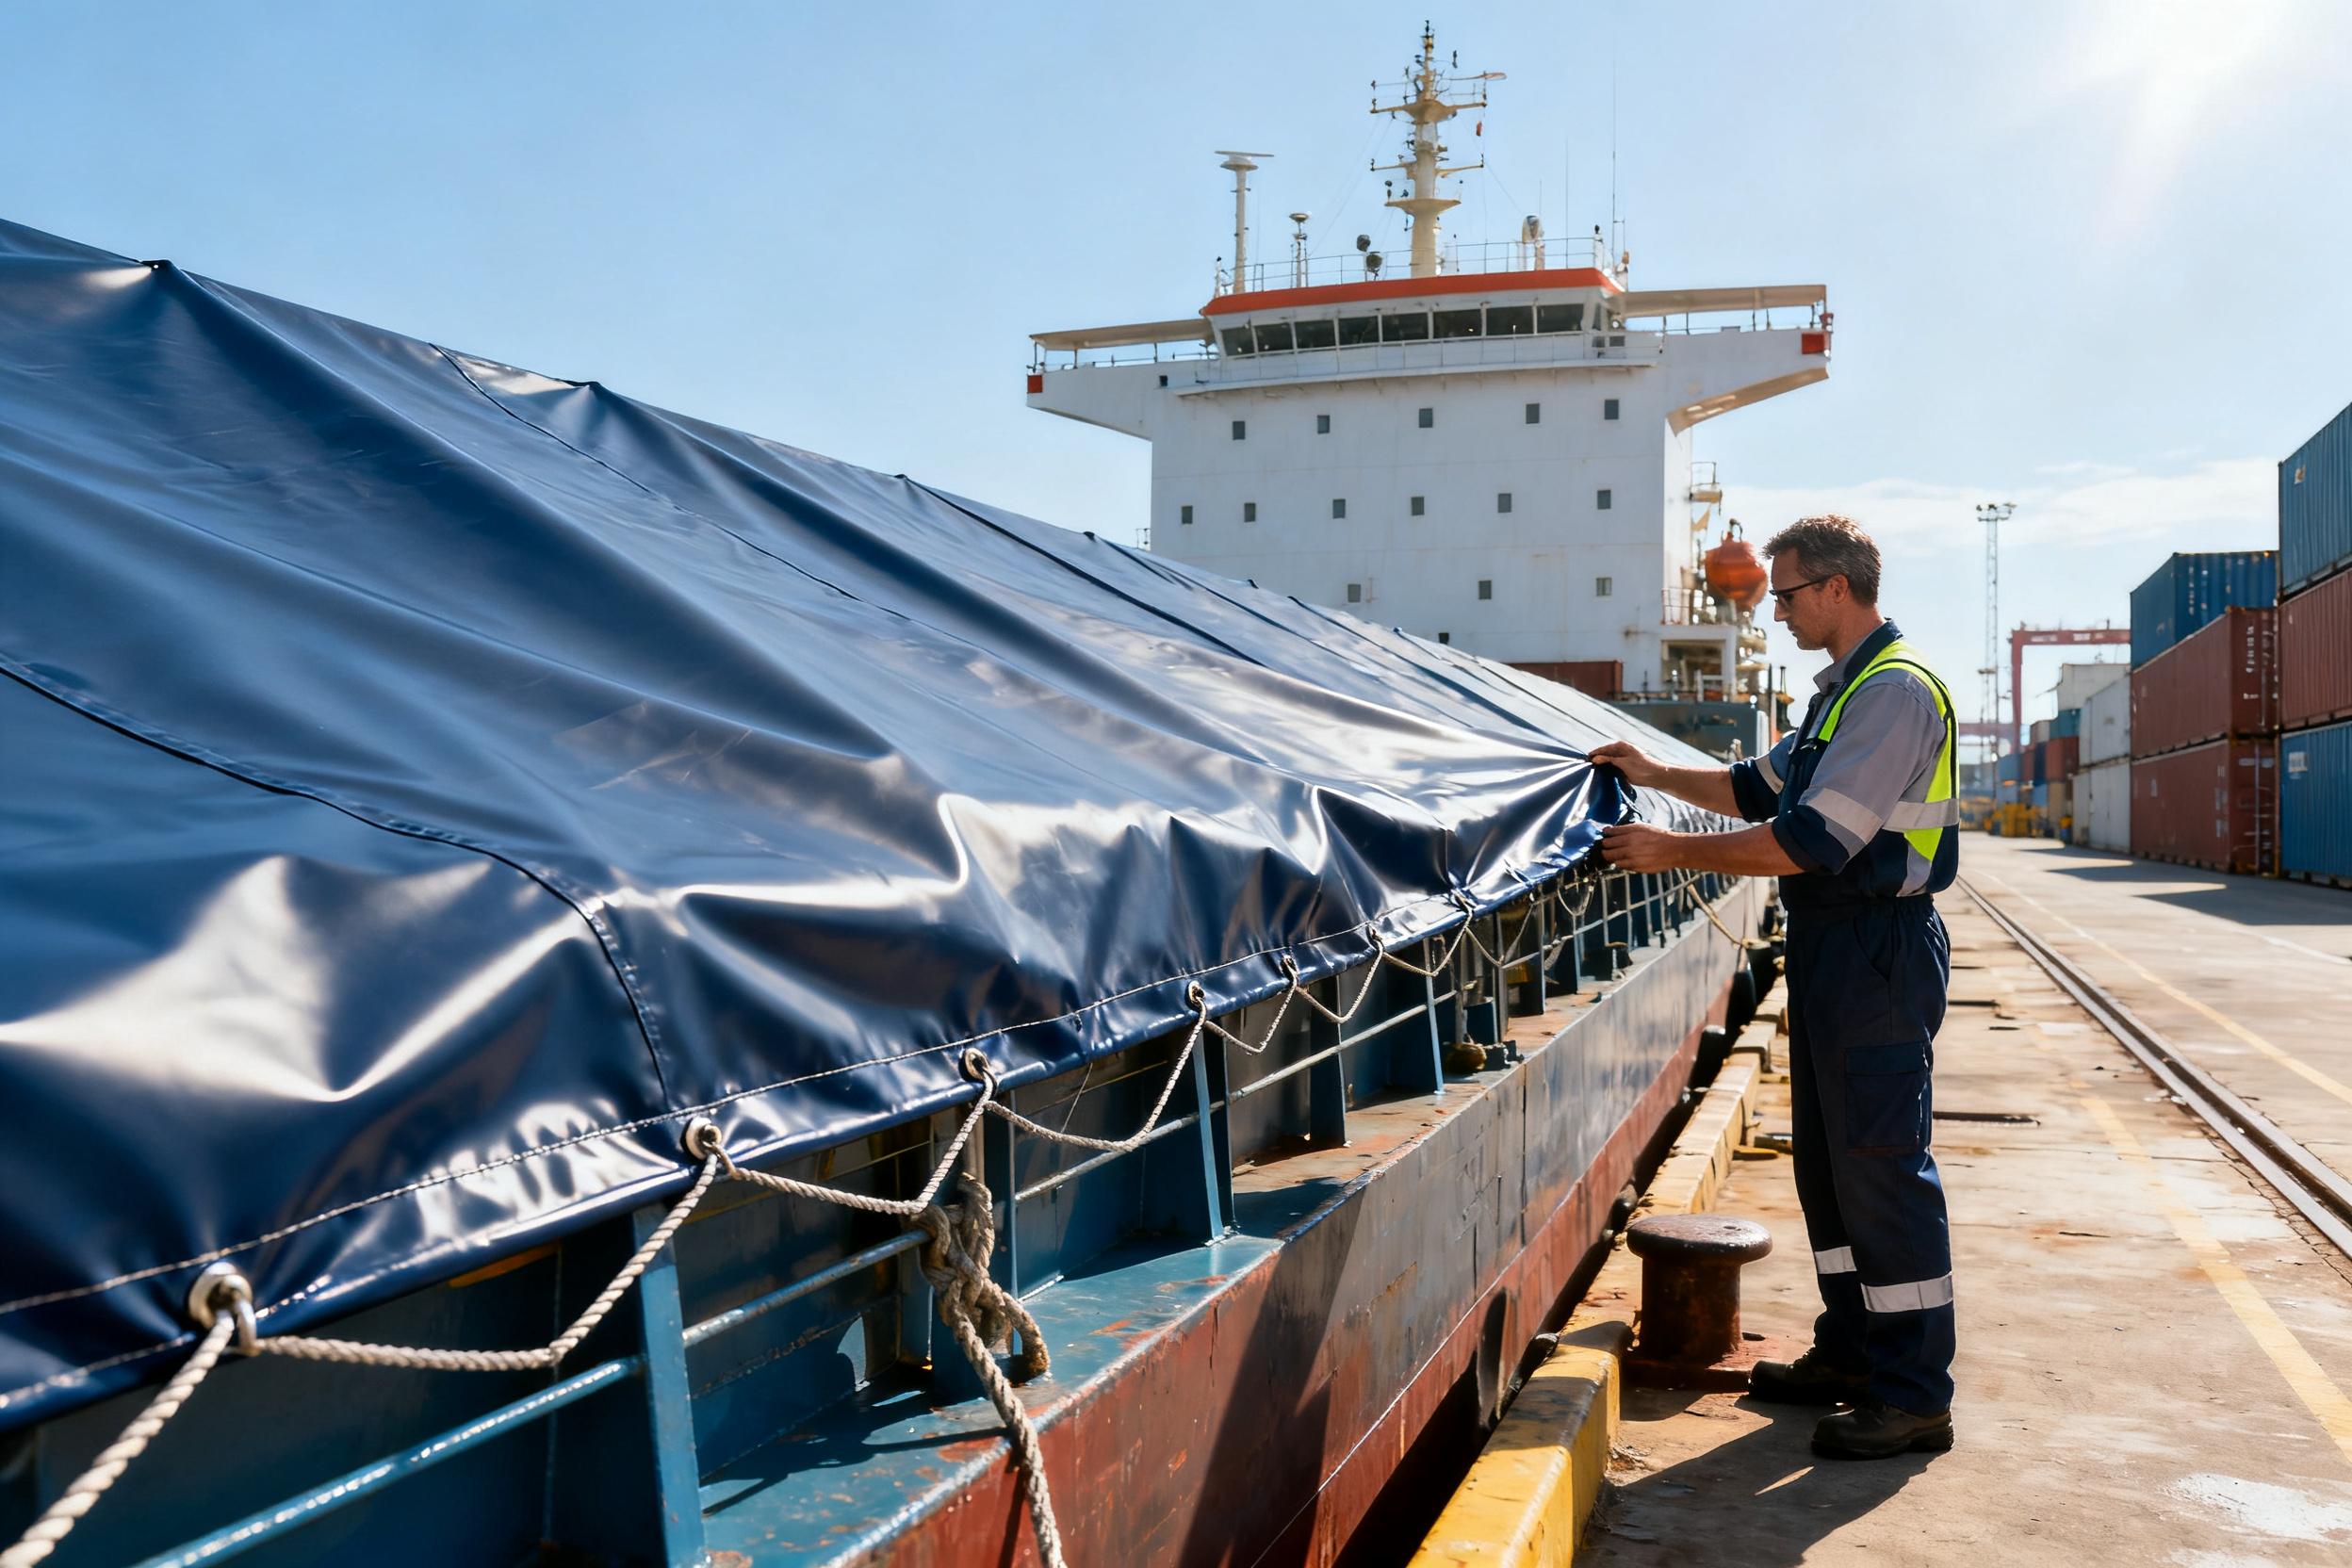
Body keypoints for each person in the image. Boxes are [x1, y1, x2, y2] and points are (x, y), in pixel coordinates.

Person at [1589, 514, 1959, 1461]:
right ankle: (1854, 1352)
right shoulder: (1840, 696)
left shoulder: (1893, 693)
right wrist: (1651, 771)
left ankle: (1914, 1394)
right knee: (1830, 1168)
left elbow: (1814, 840)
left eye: (1787, 594)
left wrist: (1669, 850)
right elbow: (1754, 790)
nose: (1778, 610)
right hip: (1836, 946)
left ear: (1836, 587)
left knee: (1881, 1167)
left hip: (1875, 948)